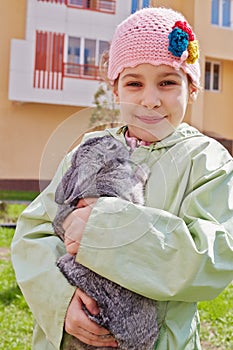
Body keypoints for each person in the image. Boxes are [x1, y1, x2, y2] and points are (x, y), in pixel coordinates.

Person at [11, 7, 233, 350]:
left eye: (168, 82)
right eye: (133, 83)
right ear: (115, 90)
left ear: (192, 88)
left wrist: (104, 227)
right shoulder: (89, 148)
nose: (150, 99)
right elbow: (34, 232)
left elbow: (213, 258)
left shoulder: (207, 161)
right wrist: (62, 302)